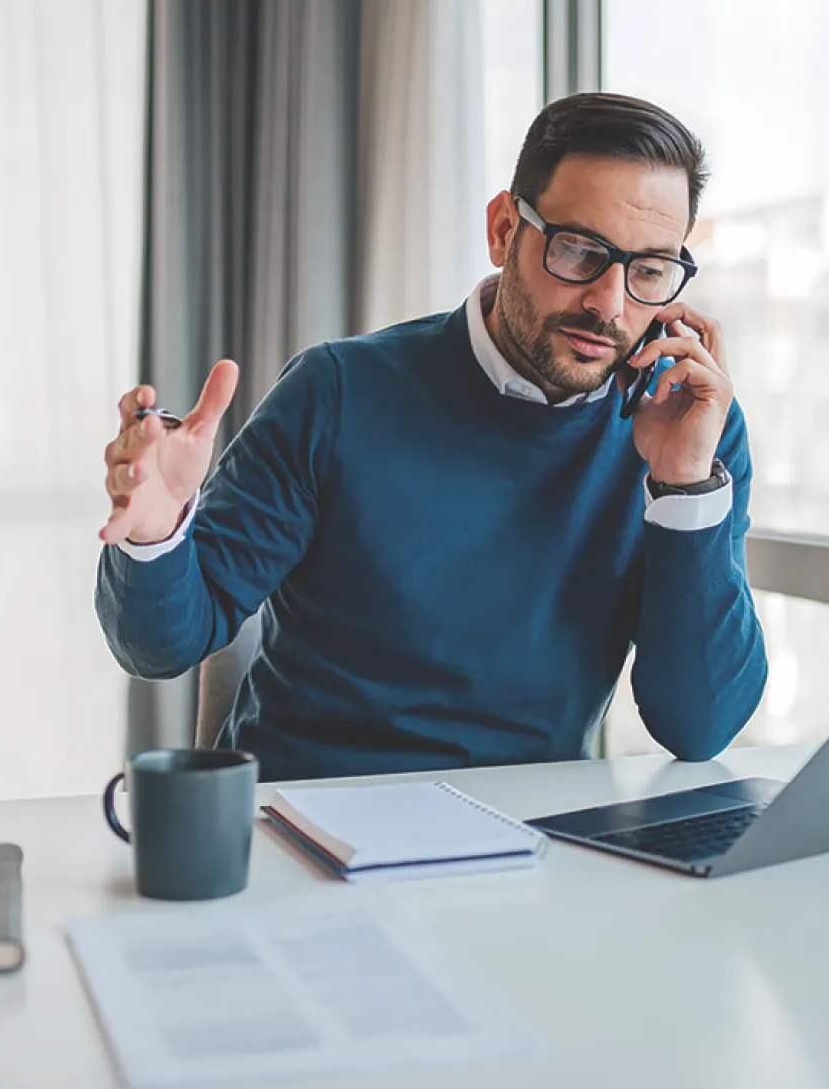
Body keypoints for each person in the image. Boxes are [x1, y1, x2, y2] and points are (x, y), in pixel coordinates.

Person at [96, 92, 767, 781]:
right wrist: (155, 534)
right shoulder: (338, 392)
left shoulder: (692, 427)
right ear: (505, 229)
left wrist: (684, 487)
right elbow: (159, 646)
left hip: (532, 840)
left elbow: (698, 725)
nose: (610, 302)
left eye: (650, 270)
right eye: (578, 251)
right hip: (311, 819)